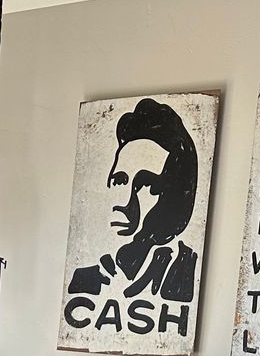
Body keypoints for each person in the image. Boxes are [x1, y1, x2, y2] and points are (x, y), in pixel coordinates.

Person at [66, 97, 200, 303]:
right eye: (119, 180)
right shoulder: (90, 273)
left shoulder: (179, 268)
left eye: (143, 182)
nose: (123, 199)